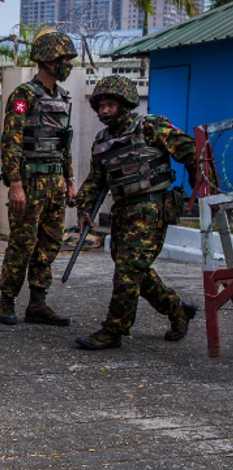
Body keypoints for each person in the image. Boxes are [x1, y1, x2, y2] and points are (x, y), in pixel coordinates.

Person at [75, 75, 198, 350]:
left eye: (110, 105)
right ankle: (178, 309)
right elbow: (95, 180)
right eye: (101, 106)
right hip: (123, 211)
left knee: (128, 271)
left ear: (124, 104)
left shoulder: (150, 126)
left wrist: (196, 182)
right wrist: (84, 208)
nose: (105, 111)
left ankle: (113, 330)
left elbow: (189, 149)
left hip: (151, 208)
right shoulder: (102, 140)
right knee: (134, 271)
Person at [0, 31, 77, 326]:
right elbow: (11, 142)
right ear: (47, 60)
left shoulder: (64, 98)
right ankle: (7, 300)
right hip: (30, 183)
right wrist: (15, 184)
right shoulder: (24, 95)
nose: (67, 64)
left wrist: (69, 180)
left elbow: (64, 143)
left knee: (50, 243)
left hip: (55, 184)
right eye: (64, 59)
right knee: (22, 243)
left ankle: (38, 303)